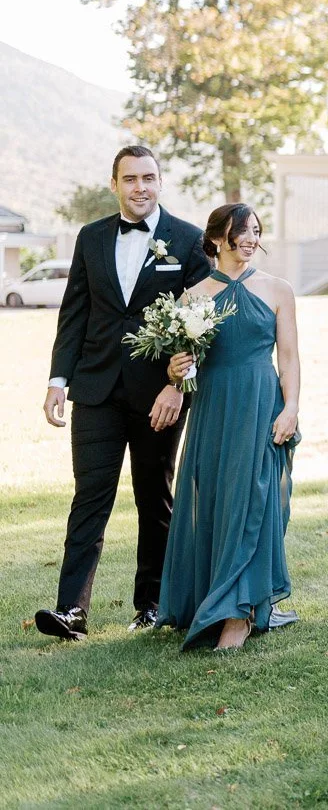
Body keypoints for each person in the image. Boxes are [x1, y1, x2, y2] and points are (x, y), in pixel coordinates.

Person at [36, 145, 209, 641]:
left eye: (148, 178)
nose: (140, 187)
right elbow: (75, 312)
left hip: (159, 394)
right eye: (130, 179)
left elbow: (200, 326)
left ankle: (151, 605)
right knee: (89, 496)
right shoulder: (90, 238)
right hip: (94, 388)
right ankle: (71, 610)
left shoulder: (189, 240)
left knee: (154, 497)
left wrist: (176, 386)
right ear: (115, 184)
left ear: (160, 182)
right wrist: (57, 380)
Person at [158, 204, 301, 650]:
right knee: (215, 499)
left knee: (255, 497)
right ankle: (211, 600)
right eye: (241, 230)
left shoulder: (278, 290)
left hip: (261, 402)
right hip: (213, 408)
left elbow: (290, 357)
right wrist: (175, 370)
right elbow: (180, 369)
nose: (249, 238)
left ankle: (238, 615)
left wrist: (291, 406)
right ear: (218, 237)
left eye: (256, 230)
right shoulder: (191, 298)